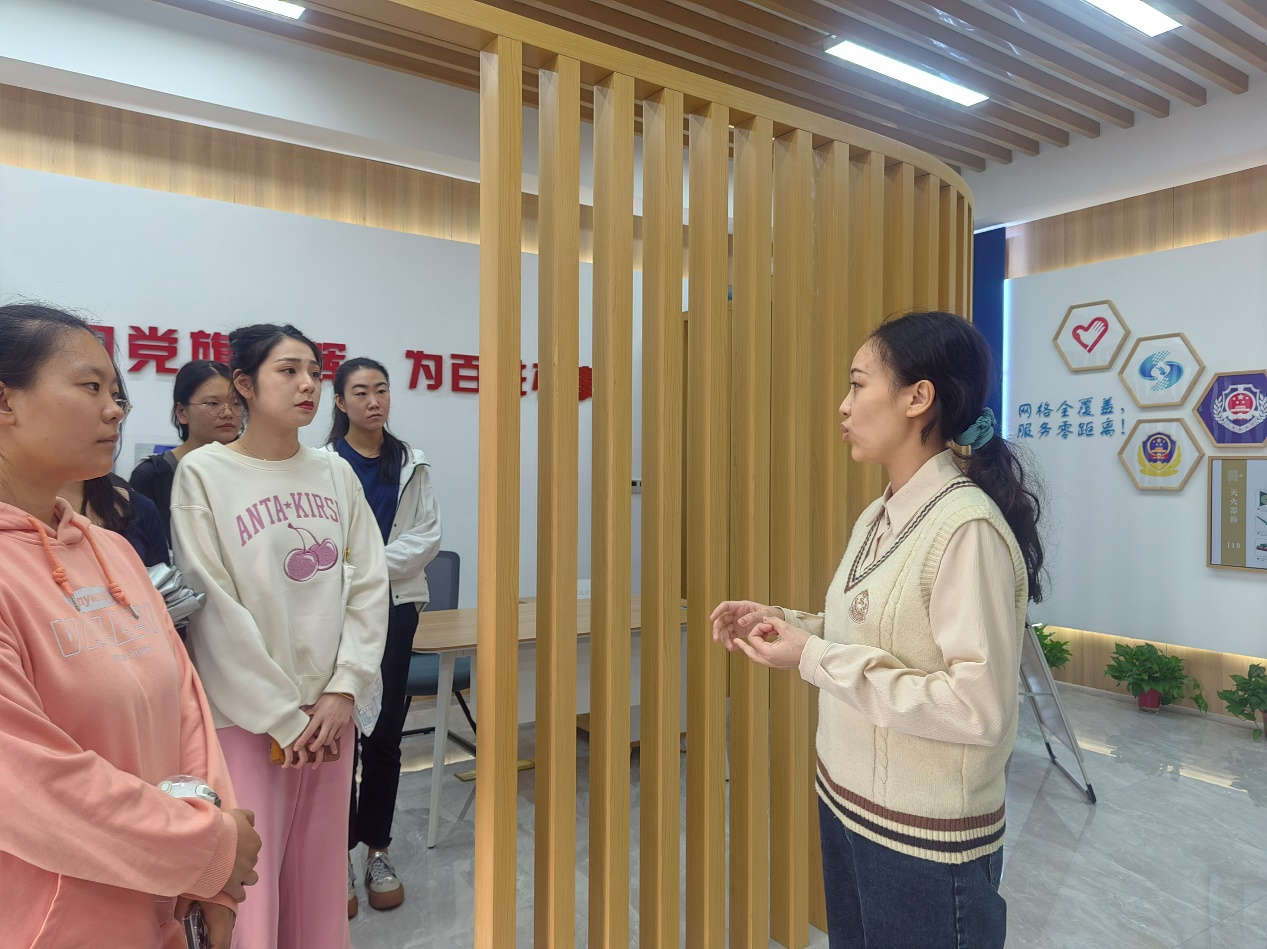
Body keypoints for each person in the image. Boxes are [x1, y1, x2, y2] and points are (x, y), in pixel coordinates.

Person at [711, 311, 1044, 949]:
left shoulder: (966, 528)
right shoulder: (878, 513)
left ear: (919, 398)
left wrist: (813, 656)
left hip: (925, 841)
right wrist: (787, 625)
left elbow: (977, 708)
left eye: (858, 384)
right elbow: (877, 631)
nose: (843, 405)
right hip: (849, 805)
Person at [0, 303, 260, 949]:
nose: (115, 410)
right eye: (91, 387)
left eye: (116, 393)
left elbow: (187, 709)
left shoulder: (113, 551)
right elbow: (32, 786)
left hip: (169, 909)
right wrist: (208, 848)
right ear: (5, 402)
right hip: (55, 922)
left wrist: (213, 871)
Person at [171, 323, 389, 949]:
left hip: (329, 715)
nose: (307, 385)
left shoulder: (334, 472)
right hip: (249, 717)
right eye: (288, 371)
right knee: (253, 890)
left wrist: (345, 689)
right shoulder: (205, 474)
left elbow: (369, 583)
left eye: (314, 373)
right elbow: (212, 604)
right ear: (244, 384)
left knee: (320, 886)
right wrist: (282, 716)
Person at [321, 357, 441, 917]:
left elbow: (427, 538)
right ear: (340, 402)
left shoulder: (411, 461)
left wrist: (363, 568)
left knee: (386, 733)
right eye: (361, 392)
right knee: (339, 732)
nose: (374, 401)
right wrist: (360, 572)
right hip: (335, 613)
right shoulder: (322, 464)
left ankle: (377, 850)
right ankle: (338, 855)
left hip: (396, 609)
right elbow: (321, 549)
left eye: (382, 390)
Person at [131, 359, 241, 545]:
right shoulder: (152, 475)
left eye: (236, 403)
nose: (228, 413)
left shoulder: (254, 468)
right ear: (182, 412)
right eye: (213, 403)